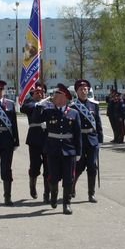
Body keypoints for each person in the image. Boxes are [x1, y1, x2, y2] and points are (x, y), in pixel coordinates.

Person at [40, 83, 82, 214]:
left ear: (64, 97)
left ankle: (66, 204)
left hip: (69, 150)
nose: (53, 97)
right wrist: (39, 105)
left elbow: (77, 134)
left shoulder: (74, 113)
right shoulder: (48, 111)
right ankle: (53, 196)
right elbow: (35, 119)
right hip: (53, 149)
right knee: (53, 177)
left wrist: (78, 151)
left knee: (68, 178)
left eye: (56, 95)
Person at [71, 78, 103, 203]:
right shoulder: (73, 106)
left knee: (92, 166)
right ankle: (72, 187)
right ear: (77, 91)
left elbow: (98, 123)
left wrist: (100, 139)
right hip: (79, 140)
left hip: (92, 139)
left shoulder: (93, 105)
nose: (84, 91)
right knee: (78, 166)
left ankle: (91, 193)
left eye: (85, 89)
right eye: (81, 89)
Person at [20, 82, 49, 201]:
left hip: (48, 138)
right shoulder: (29, 104)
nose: (39, 94)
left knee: (49, 167)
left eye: (41, 92)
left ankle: (47, 193)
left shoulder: (49, 104)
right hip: (35, 138)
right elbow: (24, 108)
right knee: (35, 166)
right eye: (36, 92)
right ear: (32, 93)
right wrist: (39, 104)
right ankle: (32, 185)